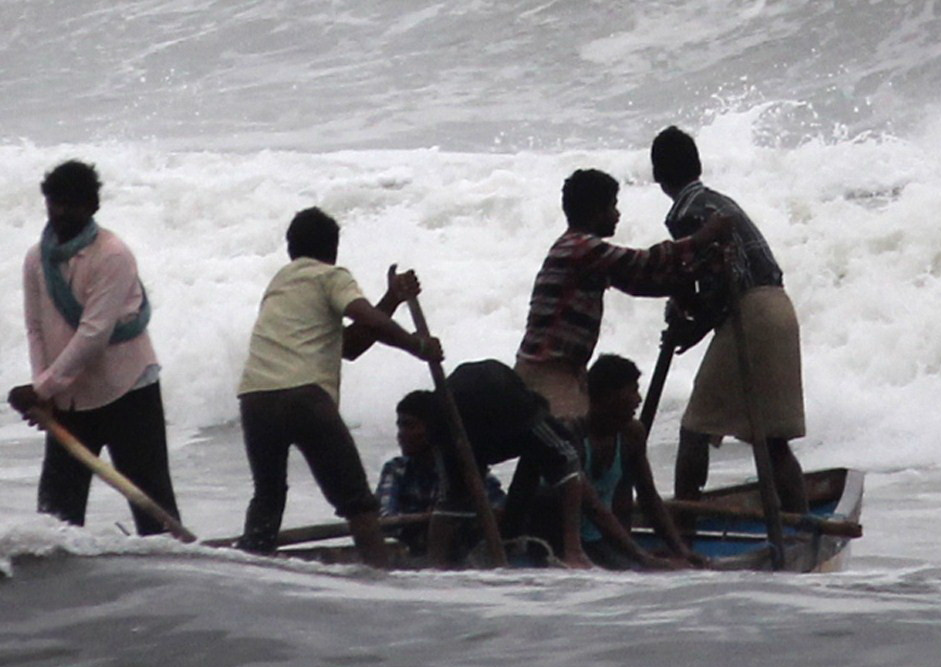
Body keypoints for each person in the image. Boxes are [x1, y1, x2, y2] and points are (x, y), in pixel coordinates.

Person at [233, 207, 439, 564]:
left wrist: (391, 299)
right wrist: (417, 345)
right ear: (334, 248)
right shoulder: (330, 275)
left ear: (290, 249)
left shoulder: (280, 283)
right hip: (303, 396)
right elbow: (364, 316)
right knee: (356, 501)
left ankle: (253, 571)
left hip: (255, 399)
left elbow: (350, 346)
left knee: (267, 497)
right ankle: (382, 581)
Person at [10, 159, 182, 534]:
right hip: (68, 397)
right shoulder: (36, 259)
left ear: (92, 208)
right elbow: (35, 326)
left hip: (126, 391)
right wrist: (45, 390)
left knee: (154, 511)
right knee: (56, 518)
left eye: (71, 205)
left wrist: (41, 388)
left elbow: (94, 333)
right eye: (54, 204)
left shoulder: (113, 255)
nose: (60, 213)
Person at [653, 126, 807, 514]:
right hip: (778, 309)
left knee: (695, 429)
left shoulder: (687, 214)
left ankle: (685, 524)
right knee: (770, 440)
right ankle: (800, 523)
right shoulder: (718, 201)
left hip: (751, 313)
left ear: (657, 176)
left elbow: (724, 282)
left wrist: (693, 328)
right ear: (698, 165)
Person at [513, 167, 706, 423]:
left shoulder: (581, 250)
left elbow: (637, 284)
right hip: (548, 372)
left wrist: (684, 280)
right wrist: (703, 238)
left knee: (566, 448)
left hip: (562, 370)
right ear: (596, 211)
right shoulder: (582, 248)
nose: (617, 214)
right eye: (612, 206)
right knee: (566, 447)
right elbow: (644, 262)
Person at [423, 356, 651, 570]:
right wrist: (575, 548)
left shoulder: (626, 436)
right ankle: (574, 551)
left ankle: (435, 564)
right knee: (566, 462)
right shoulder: (534, 419)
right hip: (471, 404)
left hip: (449, 410)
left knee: (450, 500)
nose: (638, 399)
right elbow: (571, 470)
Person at [577, 354, 695, 570]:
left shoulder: (632, 434)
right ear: (608, 396)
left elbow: (648, 497)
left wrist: (680, 549)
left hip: (601, 541)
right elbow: (595, 510)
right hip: (571, 544)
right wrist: (641, 557)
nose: (638, 399)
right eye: (632, 390)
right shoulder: (575, 436)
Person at [374, 389, 503, 557]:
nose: (401, 435)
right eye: (400, 426)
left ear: (434, 430)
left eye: (410, 426)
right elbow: (386, 519)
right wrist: (434, 518)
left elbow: (499, 510)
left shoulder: (468, 472)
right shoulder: (397, 470)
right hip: (414, 558)